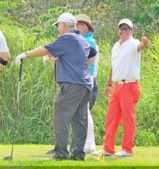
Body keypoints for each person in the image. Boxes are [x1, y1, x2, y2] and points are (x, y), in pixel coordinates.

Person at [15, 12, 97, 161]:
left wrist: (25, 55)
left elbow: (46, 49)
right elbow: (93, 53)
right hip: (84, 85)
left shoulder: (67, 37)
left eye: (58, 25)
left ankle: (61, 153)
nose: (58, 28)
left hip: (71, 85)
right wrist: (81, 66)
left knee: (61, 117)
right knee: (79, 120)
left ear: (64, 25)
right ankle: (78, 154)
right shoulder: (81, 39)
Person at [93, 18, 148, 157]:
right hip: (117, 87)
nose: (125, 31)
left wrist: (145, 43)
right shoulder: (116, 46)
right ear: (118, 31)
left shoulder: (134, 43)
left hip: (130, 85)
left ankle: (127, 149)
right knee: (111, 117)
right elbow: (113, 66)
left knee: (128, 118)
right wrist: (109, 84)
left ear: (132, 31)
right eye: (122, 29)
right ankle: (108, 148)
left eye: (128, 29)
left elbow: (140, 46)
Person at [74, 13, 99, 153]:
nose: (77, 27)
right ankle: (87, 144)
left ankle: (89, 144)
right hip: (83, 79)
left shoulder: (88, 41)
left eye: (80, 25)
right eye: (77, 24)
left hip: (87, 79)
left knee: (84, 112)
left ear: (86, 27)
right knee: (82, 112)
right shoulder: (82, 39)